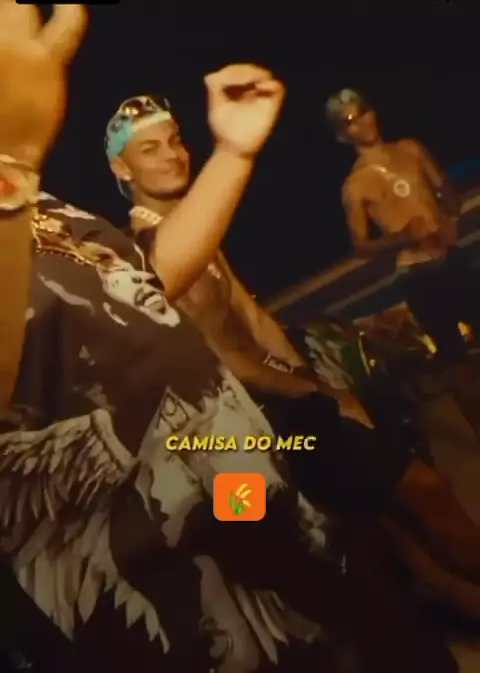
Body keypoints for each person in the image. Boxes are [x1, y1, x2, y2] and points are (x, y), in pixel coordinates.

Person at [1, 0, 480, 673]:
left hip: (269, 526)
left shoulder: (44, 212)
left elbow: (147, 287)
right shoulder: (16, 186)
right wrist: (16, 157)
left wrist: (234, 154)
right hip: (178, 614)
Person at [106, 93, 480, 603]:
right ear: (121, 168)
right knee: (412, 496)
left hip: (282, 404)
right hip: (243, 430)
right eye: (150, 149)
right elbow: (220, 356)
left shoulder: (195, 231)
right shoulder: (151, 254)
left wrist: (317, 384)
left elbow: (254, 318)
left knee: (377, 525)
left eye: (175, 141)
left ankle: (447, 605)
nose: (172, 155)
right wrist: (317, 393)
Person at [326, 88, 480, 439]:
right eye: (350, 121)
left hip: (451, 258)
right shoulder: (355, 185)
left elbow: (444, 187)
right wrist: (401, 236)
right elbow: (361, 245)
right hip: (419, 274)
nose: (362, 123)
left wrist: (451, 215)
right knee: (455, 361)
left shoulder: (410, 149)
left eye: (363, 112)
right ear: (342, 135)